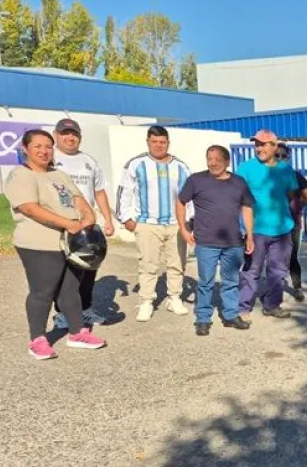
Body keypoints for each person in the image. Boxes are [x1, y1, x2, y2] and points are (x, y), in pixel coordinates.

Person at [6, 129, 106, 359]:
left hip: (69, 244)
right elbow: (29, 208)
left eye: (48, 147)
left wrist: (89, 216)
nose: (44, 151)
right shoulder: (21, 175)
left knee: (70, 289)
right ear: (25, 149)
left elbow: (78, 198)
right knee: (42, 291)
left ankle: (77, 332)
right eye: (37, 146)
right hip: (39, 244)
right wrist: (68, 223)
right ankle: (38, 340)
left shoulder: (59, 175)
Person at [176, 146, 256, 336]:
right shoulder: (196, 180)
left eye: (217, 160)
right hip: (206, 242)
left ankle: (230, 316)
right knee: (206, 282)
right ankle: (203, 319)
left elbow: (247, 208)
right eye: (209, 159)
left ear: (227, 162)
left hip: (233, 242)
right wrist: (183, 229)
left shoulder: (239, 182)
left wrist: (250, 235)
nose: (212, 163)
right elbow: (180, 202)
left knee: (231, 281)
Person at [116, 125, 192, 322]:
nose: (159, 145)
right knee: (148, 265)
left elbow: (189, 195)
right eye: (155, 142)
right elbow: (125, 191)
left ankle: (174, 298)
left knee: (177, 263)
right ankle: (146, 301)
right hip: (147, 223)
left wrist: (189, 221)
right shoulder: (136, 164)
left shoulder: (180, 166)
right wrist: (126, 218)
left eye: (162, 142)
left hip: (175, 223)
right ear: (148, 142)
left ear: (168, 143)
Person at [50, 118, 115, 329]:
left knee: (88, 268)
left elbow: (99, 192)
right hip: (60, 224)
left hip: (87, 226)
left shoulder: (89, 161)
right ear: (56, 135)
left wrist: (107, 219)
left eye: (74, 134)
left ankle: (85, 309)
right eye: (65, 133)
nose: (70, 138)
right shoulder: (50, 160)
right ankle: (62, 314)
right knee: (63, 273)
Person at [236, 130, 299, 320]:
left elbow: (291, 195)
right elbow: (237, 198)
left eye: (263, 144)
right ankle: (243, 307)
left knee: (278, 271)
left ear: (274, 146)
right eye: (257, 145)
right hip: (255, 230)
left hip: (282, 230)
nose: (259, 148)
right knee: (251, 270)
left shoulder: (286, 170)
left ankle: (272, 304)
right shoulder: (245, 168)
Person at [276, 142, 307, 302]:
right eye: (276, 155)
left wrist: (297, 207)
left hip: (293, 224)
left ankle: (297, 287)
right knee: (274, 258)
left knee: (292, 257)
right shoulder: (266, 177)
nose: (280, 158)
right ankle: (274, 290)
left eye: (283, 156)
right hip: (272, 225)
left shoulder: (296, 176)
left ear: (289, 157)